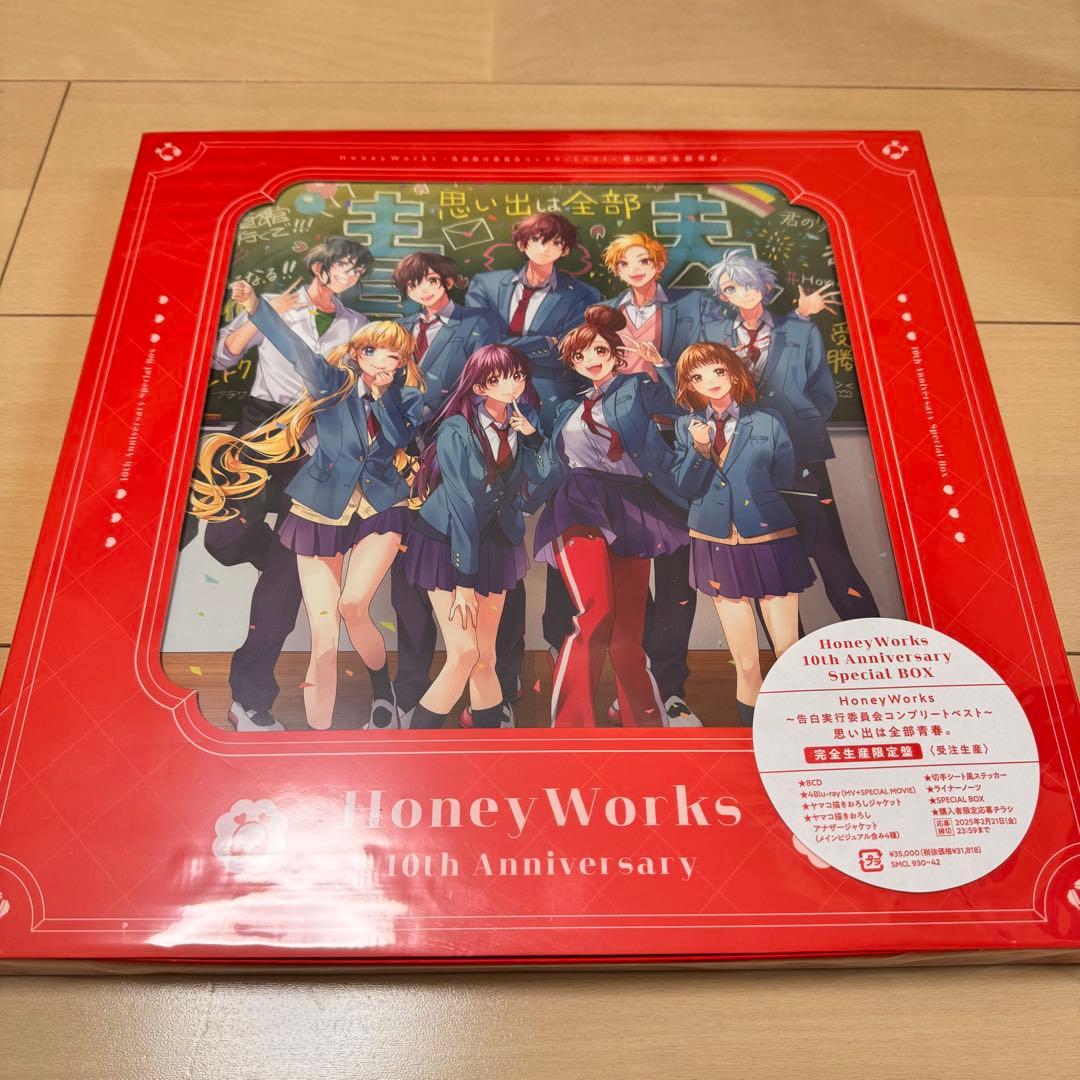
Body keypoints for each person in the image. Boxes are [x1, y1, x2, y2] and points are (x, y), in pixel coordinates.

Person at [192, 281, 423, 732]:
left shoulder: (404, 397)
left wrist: (383, 397)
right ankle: (319, 736)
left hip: (377, 509)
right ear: (356, 353)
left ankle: (379, 693)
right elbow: (292, 346)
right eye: (373, 351)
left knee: (349, 606)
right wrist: (256, 306)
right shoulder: (331, 383)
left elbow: (399, 436)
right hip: (318, 506)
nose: (383, 361)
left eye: (394, 355)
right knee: (321, 628)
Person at [205, 237, 373, 732]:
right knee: (222, 538)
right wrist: (263, 314)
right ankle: (279, 554)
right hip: (260, 430)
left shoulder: (356, 325)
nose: (351, 278)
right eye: (345, 268)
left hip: (317, 443)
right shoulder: (276, 305)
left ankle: (249, 701)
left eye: (358, 272)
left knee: (280, 592)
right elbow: (222, 357)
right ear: (321, 267)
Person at [464, 211, 602, 721]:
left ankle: (561, 658)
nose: (544, 248)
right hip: (492, 419)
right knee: (502, 545)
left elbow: (569, 354)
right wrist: (538, 344)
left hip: (556, 421)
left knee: (564, 542)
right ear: (522, 243)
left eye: (554, 242)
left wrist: (506, 347)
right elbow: (478, 347)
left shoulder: (585, 296)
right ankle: (507, 675)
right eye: (536, 239)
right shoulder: (486, 285)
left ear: (565, 249)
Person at [532, 306, 688, 728]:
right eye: (580, 355)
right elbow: (548, 466)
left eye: (599, 351)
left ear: (617, 354)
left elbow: (684, 408)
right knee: (594, 613)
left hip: (633, 505)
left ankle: (647, 728)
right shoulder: (567, 409)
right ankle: (571, 730)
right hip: (578, 502)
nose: (591, 360)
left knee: (626, 636)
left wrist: (661, 366)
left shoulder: (636, 388)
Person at [703, 251, 878, 622]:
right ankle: (788, 648)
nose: (743, 292)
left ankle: (865, 633)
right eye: (732, 288)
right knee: (764, 553)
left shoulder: (800, 330)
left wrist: (795, 429)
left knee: (830, 548)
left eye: (749, 283)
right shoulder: (714, 335)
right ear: (723, 296)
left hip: (801, 453)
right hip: (744, 459)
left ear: (765, 285)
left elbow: (823, 392)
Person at [600, 232, 719, 727]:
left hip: (676, 439)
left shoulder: (691, 307)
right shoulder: (603, 314)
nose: (635, 268)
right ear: (615, 269)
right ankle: (639, 682)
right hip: (619, 443)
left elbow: (710, 372)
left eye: (643, 260)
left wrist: (662, 365)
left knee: (675, 572)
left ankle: (671, 690)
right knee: (627, 572)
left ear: (658, 263)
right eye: (624, 262)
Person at [402, 346, 548, 731]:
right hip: (447, 544)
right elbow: (461, 504)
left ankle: (488, 748)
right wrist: (464, 582)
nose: (511, 384)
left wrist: (534, 439)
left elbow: (544, 479)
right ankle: (416, 749)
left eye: (517, 375)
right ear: (480, 386)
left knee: (485, 659)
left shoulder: (526, 420)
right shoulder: (455, 429)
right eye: (498, 378)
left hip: (496, 543)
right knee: (464, 652)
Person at [671, 342, 815, 725]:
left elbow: (785, 474)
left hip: (769, 537)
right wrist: (700, 449)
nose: (711, 381)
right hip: (715, 541)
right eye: (698, 376)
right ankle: (752, 734)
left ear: (734, 373)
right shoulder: (687, 427)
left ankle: (797, 727)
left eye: (718, 371)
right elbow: (683, 486)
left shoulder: (768, 420)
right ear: (689, 385)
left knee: (787, 648)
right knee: (746, 660)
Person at [388, 253, 500, 724]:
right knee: (410, 580)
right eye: (414, 284)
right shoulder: (400, 329)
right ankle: (411, 692)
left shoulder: (478, 322)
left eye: (431, 280)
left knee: (482, 575)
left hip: (458, 449)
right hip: (403, 459)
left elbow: (486, 383)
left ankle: (488, 700)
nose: (425, 290)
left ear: (447, 280)